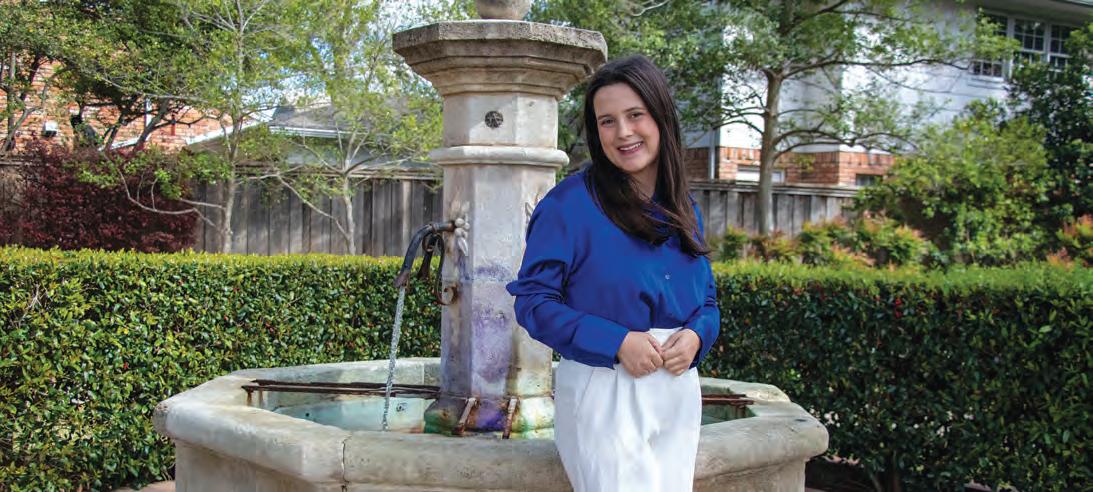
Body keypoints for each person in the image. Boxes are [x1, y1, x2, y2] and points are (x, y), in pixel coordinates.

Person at [505, 55, 720, 492]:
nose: (623, 132)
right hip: (606, 386)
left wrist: (698, 336)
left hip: (678, 389)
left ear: (660, 116)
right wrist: (617, 342)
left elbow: (708, 301)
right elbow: (533, 303)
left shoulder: (684, 208)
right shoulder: (568, 206)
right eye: (607, 121)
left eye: (635, 115)